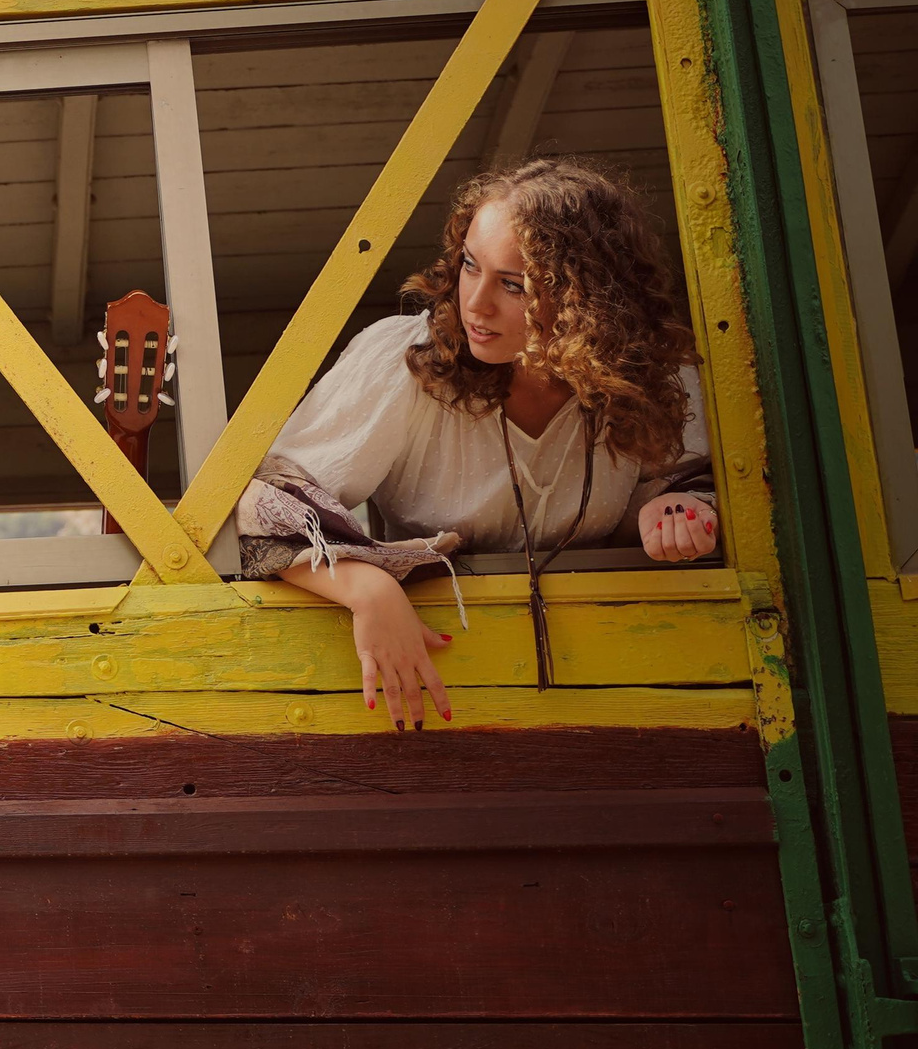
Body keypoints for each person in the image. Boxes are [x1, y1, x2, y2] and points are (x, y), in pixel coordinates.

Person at [239, 157, 718, 731]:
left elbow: (680, 482)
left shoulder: (651, 381)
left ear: (586, 300)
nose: (475, 303)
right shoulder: (405, 364)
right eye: (471, 265)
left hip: (617, 687)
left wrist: (666, 513)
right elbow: (265, 496)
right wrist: (366, 587)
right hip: (430, 680)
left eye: (513, 285)